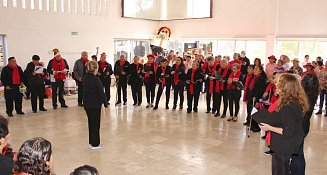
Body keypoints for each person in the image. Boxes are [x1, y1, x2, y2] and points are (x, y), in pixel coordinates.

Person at [256, 73, 308, 175]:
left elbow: (288, 131)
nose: (276, 85)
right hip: (286, 143)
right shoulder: (293, 100)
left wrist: (268, 127)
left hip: (284, 144)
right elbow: (286, 121)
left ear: (284, 87)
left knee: (279, 170)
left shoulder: (288, 105)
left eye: (278, 83)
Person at [83, 61, 108, 149]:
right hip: (95, 105)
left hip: (87, 104)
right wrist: (105, 103)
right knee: (95, 124)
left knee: (91, 123)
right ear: (95, 69)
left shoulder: (85, 77)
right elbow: (101, 93)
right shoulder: (96, 79)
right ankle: (95, 144)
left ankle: (91, 142)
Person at [245, 65, 267, 131]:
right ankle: (251, 124)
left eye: (256, 69)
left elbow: (260, 91)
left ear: (260, 71)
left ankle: (256, 127)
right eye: (254, 69)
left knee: (255, 112)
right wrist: (247, 98)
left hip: (256, 98)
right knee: (250, 111)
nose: (254, 70)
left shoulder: (262, 79)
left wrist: (258, 101)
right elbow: (249, 88)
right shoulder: (253, 77)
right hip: (250, 97)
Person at [301, 73, 319, 138]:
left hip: (304, 110)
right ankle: (304, 133)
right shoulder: (315, 91)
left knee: (304, 119)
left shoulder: (304, 93)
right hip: (309, 108)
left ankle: (303, 134)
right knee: (307, 119)